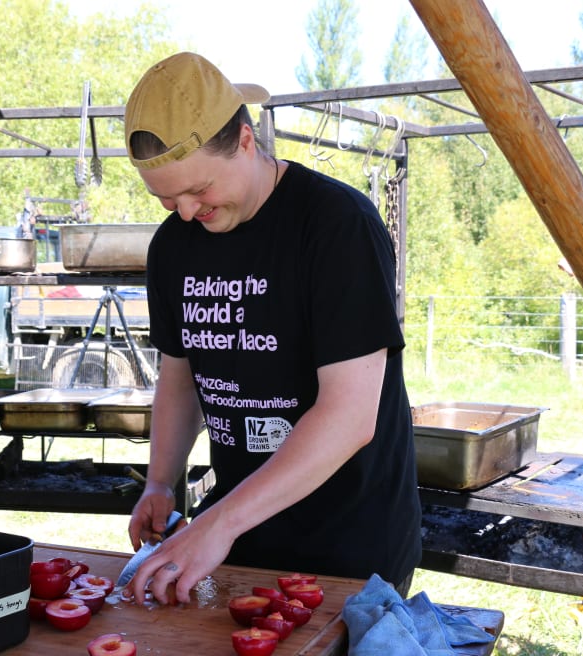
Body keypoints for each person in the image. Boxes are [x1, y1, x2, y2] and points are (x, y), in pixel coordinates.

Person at [123, 51, 421, 605]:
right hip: (243, 545)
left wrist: (216, 524)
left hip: (351, 551)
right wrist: (162, 481)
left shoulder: (336, 227)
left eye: (201, 190)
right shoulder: (171, 248)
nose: (186, 213)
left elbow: (349, 416)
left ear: (244, 139)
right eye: (166, 198)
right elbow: (181, 377)